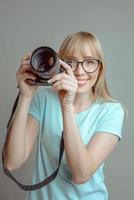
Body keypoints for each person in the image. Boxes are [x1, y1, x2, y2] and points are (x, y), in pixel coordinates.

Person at [3, 31, 125, 200]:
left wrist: (66, 105)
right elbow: (12, 162)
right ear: (58, 65)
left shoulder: (112, 111)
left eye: (89, 62)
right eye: (70, 62)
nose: (80, 71)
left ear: (100, 68)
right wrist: (25, 96)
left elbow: (81, 175)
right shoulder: (44, 99)